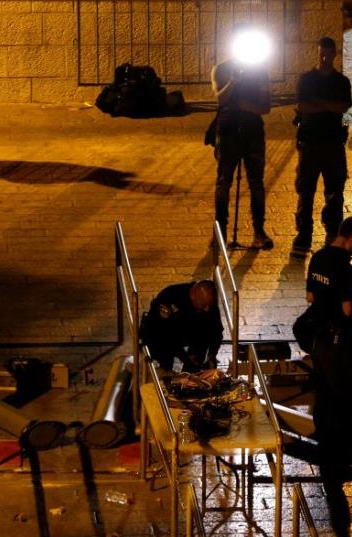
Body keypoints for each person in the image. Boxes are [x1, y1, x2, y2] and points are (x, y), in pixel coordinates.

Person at [305, 216, 352, 537]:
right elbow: (346, 310)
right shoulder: (344, 265)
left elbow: (310, 298)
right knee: (346, 402)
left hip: (318, 342)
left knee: (323, 397)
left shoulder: (317, 257)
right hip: (339, 345)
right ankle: (342, 459)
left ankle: (323, 448)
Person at [210, 34, 274, 249]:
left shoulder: (260, 72)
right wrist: (232, 81)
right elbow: (220, 99)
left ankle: (258, 230)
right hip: (228, 131)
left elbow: (266, 107)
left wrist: (248, 107)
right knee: (223, 181)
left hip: (253, 132)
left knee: (256, 183)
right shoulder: (221, 69)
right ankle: (219, 232)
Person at [293, 37, 352, 254]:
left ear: (334, 54)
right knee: (306, 191)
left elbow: (343, 107)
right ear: (317, 54)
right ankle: (304, 233)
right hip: (310, 143)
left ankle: (333, 232)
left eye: (328, 54)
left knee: (335, 191)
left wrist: (319, 103)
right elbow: (303, 105)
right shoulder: (307, 80)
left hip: (333, 144)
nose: (325, 58)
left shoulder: (341, 82)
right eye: (322, 54)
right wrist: (329, 106)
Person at [140, 280, 223, 373]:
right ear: (194, 296)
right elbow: (166, 334)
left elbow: (217, 330)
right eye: (203, 305)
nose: (207, 309)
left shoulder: (207, 302)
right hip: (160, 333)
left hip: (186, 330)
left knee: (202, 346)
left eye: (209, 305)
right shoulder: (170, 297)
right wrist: (185, 357)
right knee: (164, 361)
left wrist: (212, 355)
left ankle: (192, 378)